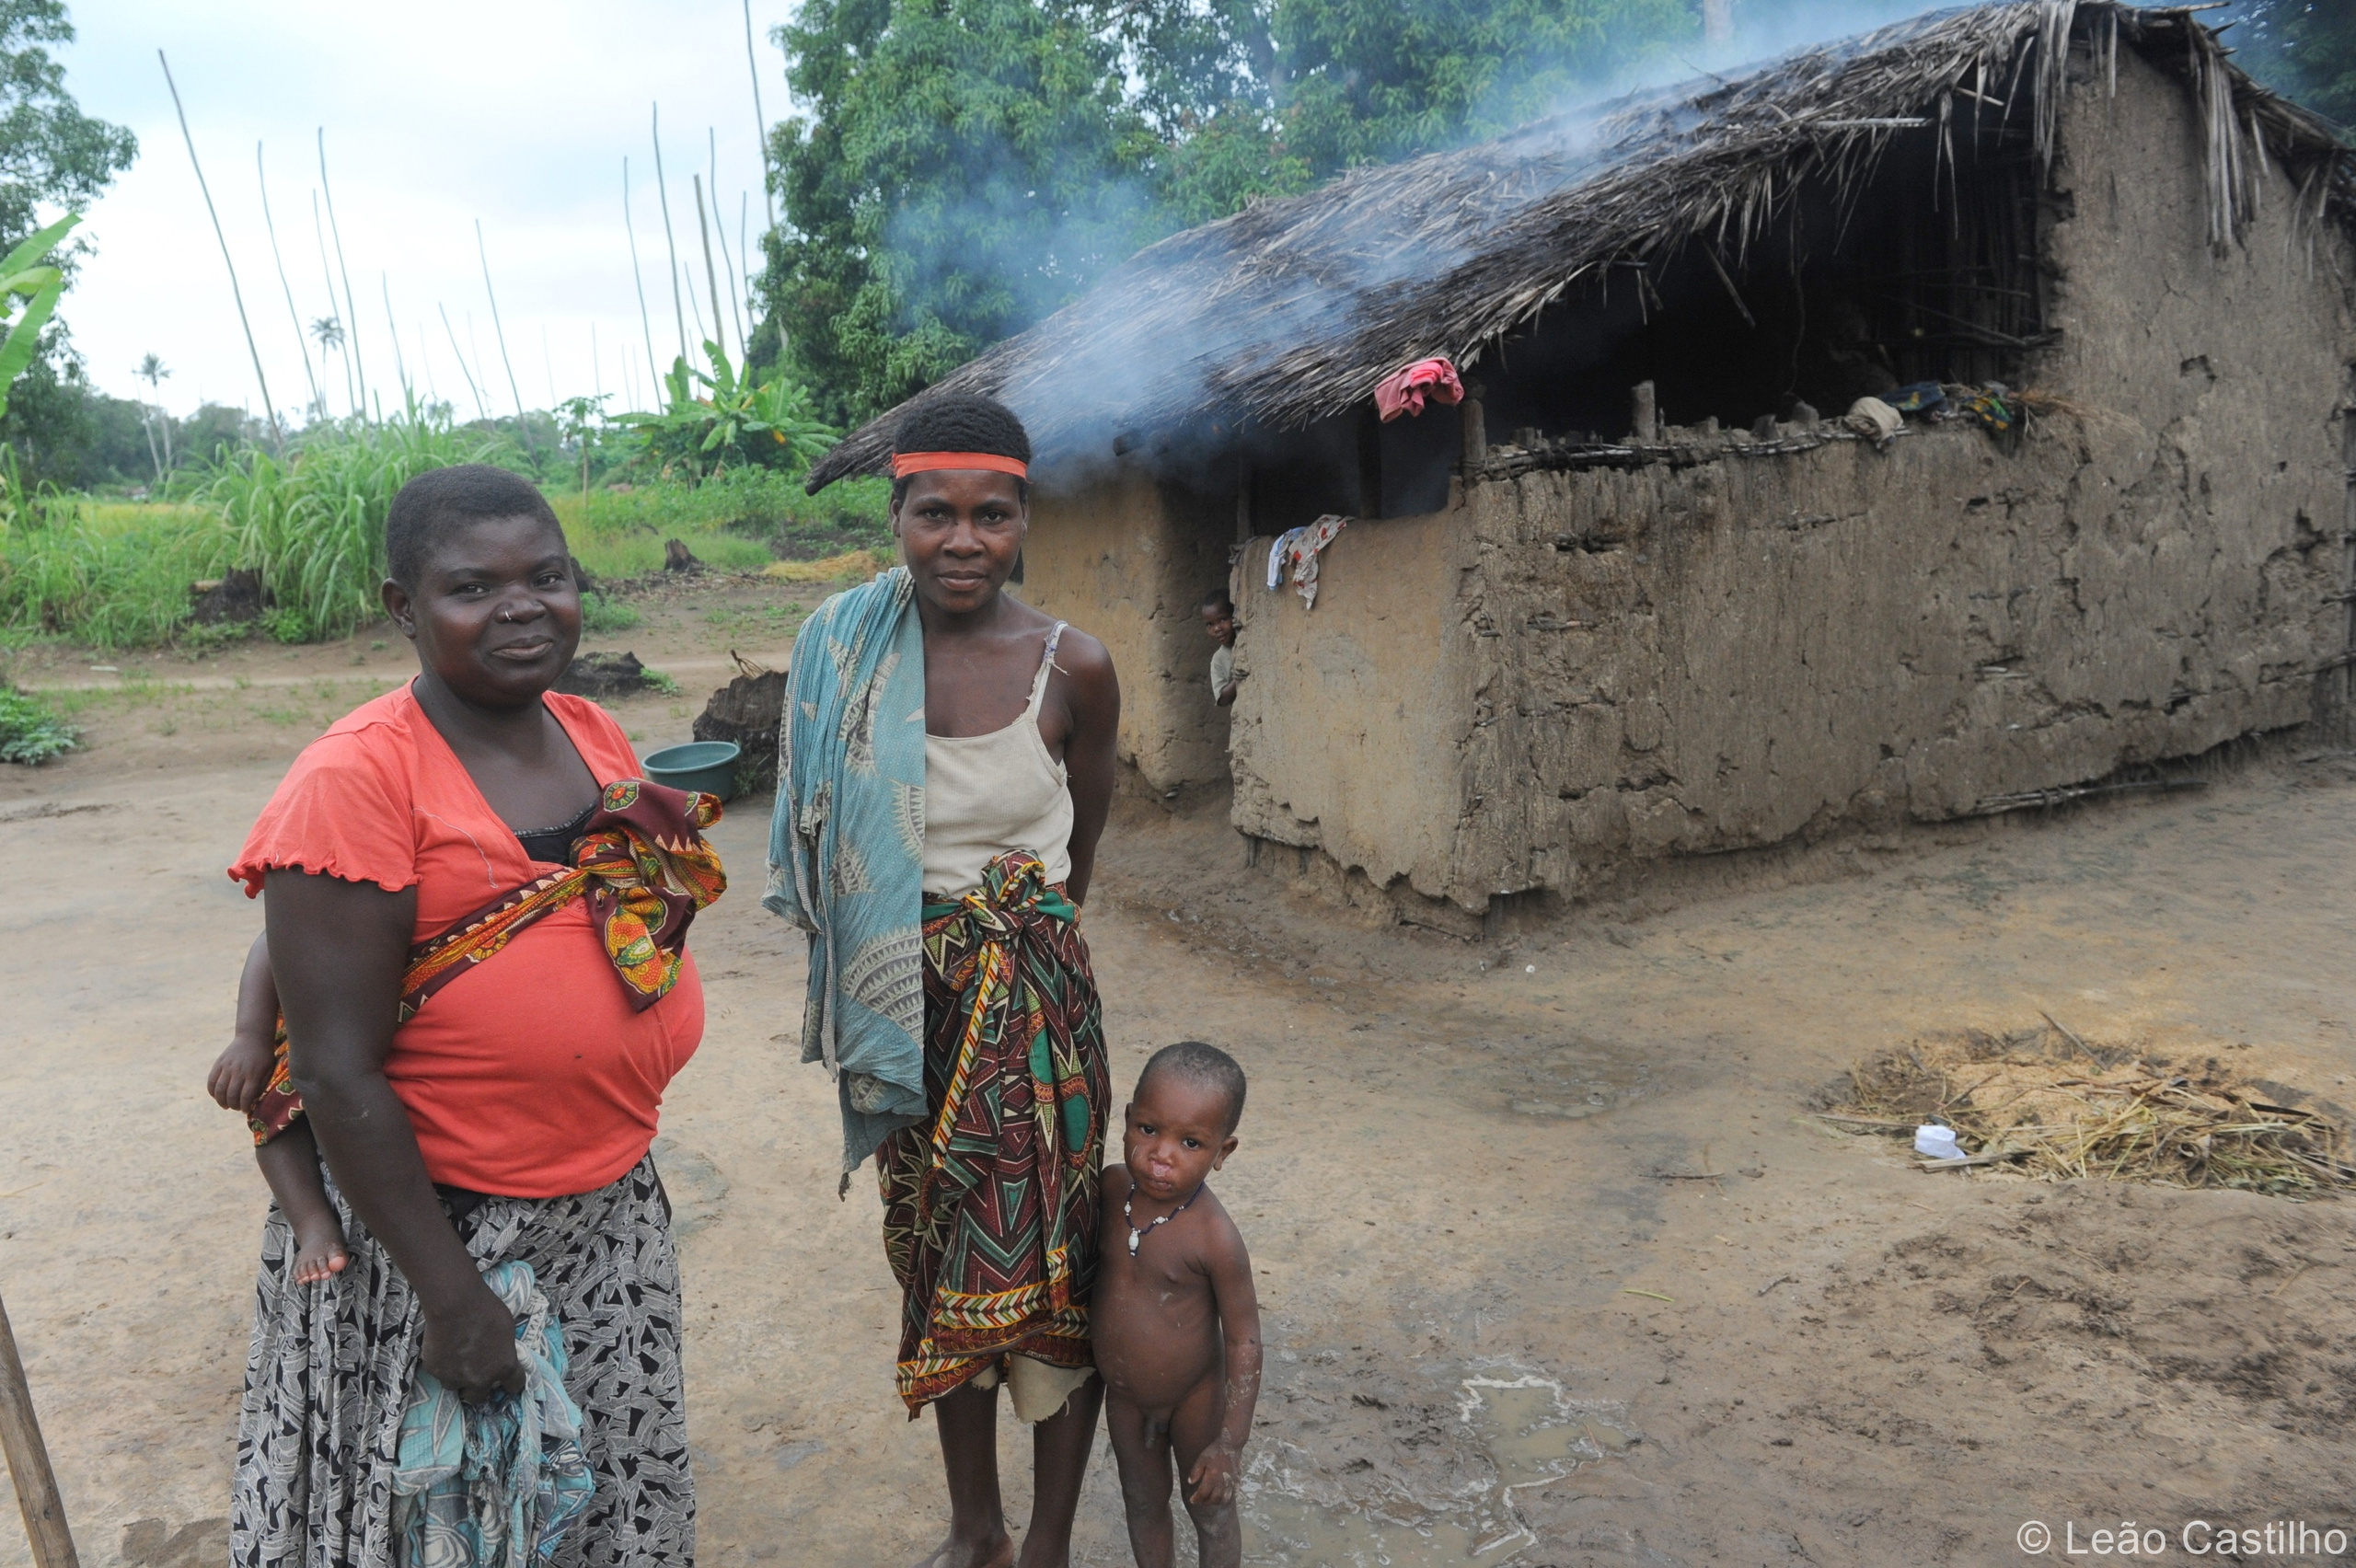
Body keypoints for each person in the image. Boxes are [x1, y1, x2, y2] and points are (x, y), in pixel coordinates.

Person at [225, 463, 725, 1566]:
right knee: (443, 1519)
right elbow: (336, 1071)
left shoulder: (588, 730)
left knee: (597, 1500)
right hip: (436, 1239)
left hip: (604, 1215)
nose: (521, 606)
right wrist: (450, 1298)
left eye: (547, 576)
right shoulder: (355, 781)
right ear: (403, 607)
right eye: (472, 587)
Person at [768, 393, 1121, 1568]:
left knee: (1057, 1270)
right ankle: (977, 1530)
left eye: (991, 515)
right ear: (898, 514)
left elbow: (1082, 852)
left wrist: (1019, 955)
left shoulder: (1073, 665)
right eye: (935, 514)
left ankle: (1050, 1544)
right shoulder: (848, 649)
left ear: (1025, 519)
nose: (961, 540)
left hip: (1039, 1015)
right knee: (935, 1258)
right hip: (906, 1010)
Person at [1092, 1043, 1261, 1568]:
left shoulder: (1215, 1238)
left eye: (1190, 1142)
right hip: (1124, 1397)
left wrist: (1229, 1445)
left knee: (1210, 1510)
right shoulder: (1110, 1188)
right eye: (1148, 1130)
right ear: (1127, 1120)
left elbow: (1244, 1339)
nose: (1162, 1154)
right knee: (1141, 1503)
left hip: (1196, 1396)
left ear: (1222, 1152)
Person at [204, 932, 348, 1284]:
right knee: (275, 1116)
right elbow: (273, 938)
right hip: (321, 1022)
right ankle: (312, 1223)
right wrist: (251, 1035)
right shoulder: (333, 887)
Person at [1200, 593, 1242, 709]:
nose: (1217, 628)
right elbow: (1222, 699)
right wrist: (1237, 680)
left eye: (1223, 619)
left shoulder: (1248, 637)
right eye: (1210, 624)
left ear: (1234, 616)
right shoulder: (1218, 659)